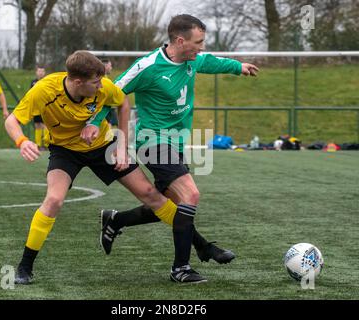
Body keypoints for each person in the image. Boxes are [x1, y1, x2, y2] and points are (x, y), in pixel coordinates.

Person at [98, 14, 259, 283]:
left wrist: (237, 67)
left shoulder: (192, 60)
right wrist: (94, 123)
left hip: (176, 142)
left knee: (167, 206)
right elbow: (111, 93)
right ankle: (181, 268)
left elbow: (211, 61)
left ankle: (116, 220)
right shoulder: (147, 67)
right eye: (199, 42)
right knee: (191, 195)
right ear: (180, 41)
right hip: (152, 141)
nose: (202, 47)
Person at [5, 50, 187, 284]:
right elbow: (12, 120)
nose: (101, 86)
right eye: (95, 82)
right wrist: (22, 141)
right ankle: (24, 267)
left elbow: (122, 103)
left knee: (150, 193)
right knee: (53, 200)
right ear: (78, 82)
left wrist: (121, 146)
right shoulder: (44, 90)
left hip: (103, 147)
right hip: (65, 151)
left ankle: (202, 246)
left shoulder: (103, 85)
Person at [30, 65, 48, 150]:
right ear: (36, 72)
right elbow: (31, 94)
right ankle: (38, 144)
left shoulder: (47, 81)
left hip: (45, 107)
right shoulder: (33, 82)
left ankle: (46, 144)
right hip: (36, 108)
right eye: (39, 71)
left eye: (42, 71)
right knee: (37, 125)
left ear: (44, 73)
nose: (40, 73)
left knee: (45, 125)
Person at [102, 58, 118, 127]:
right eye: (110, 66)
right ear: (105, 66)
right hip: (105, 105)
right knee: (108, 124)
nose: (111, 68)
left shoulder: (106, 78)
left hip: (110, 105)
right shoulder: (102, 79)